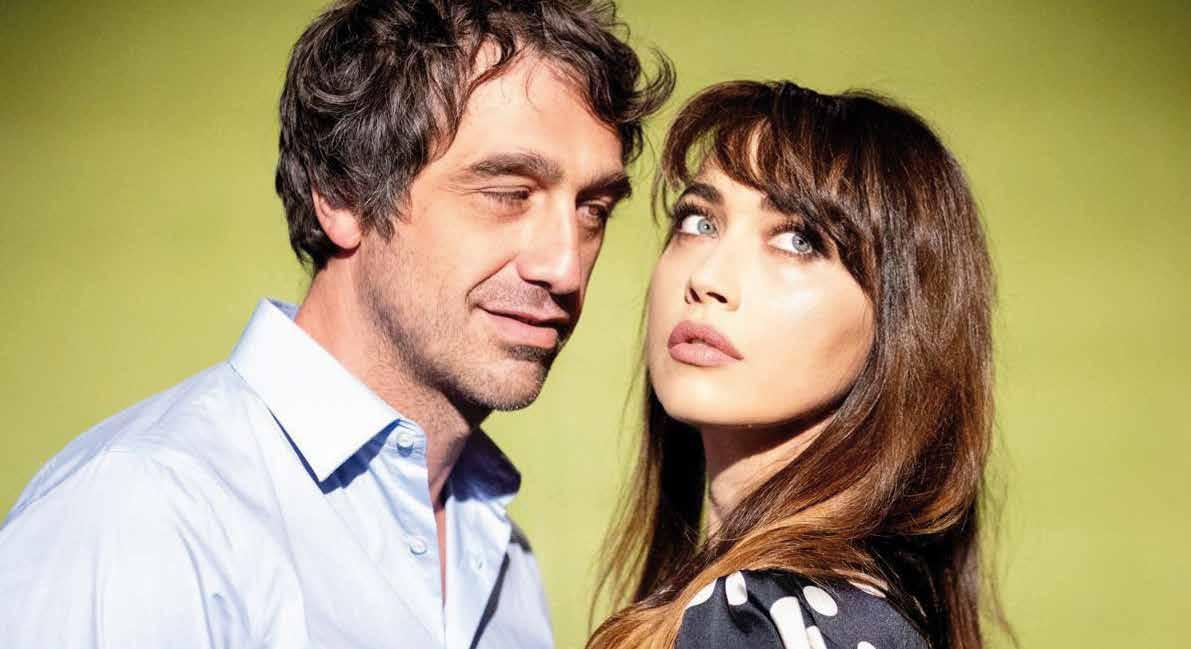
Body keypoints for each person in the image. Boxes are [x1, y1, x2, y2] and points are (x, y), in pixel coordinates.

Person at [0, 1, 671, 648]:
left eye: (593, 209)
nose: (564, 265)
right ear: (343, 193)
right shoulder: (147, 514)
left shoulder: (500, 559)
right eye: (507, 193)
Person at [587, 81, 1007, 649]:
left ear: (901, 319)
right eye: (699, 222)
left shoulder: (755, 620)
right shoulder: (856, 611)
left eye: (797, 240)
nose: (707, 279)